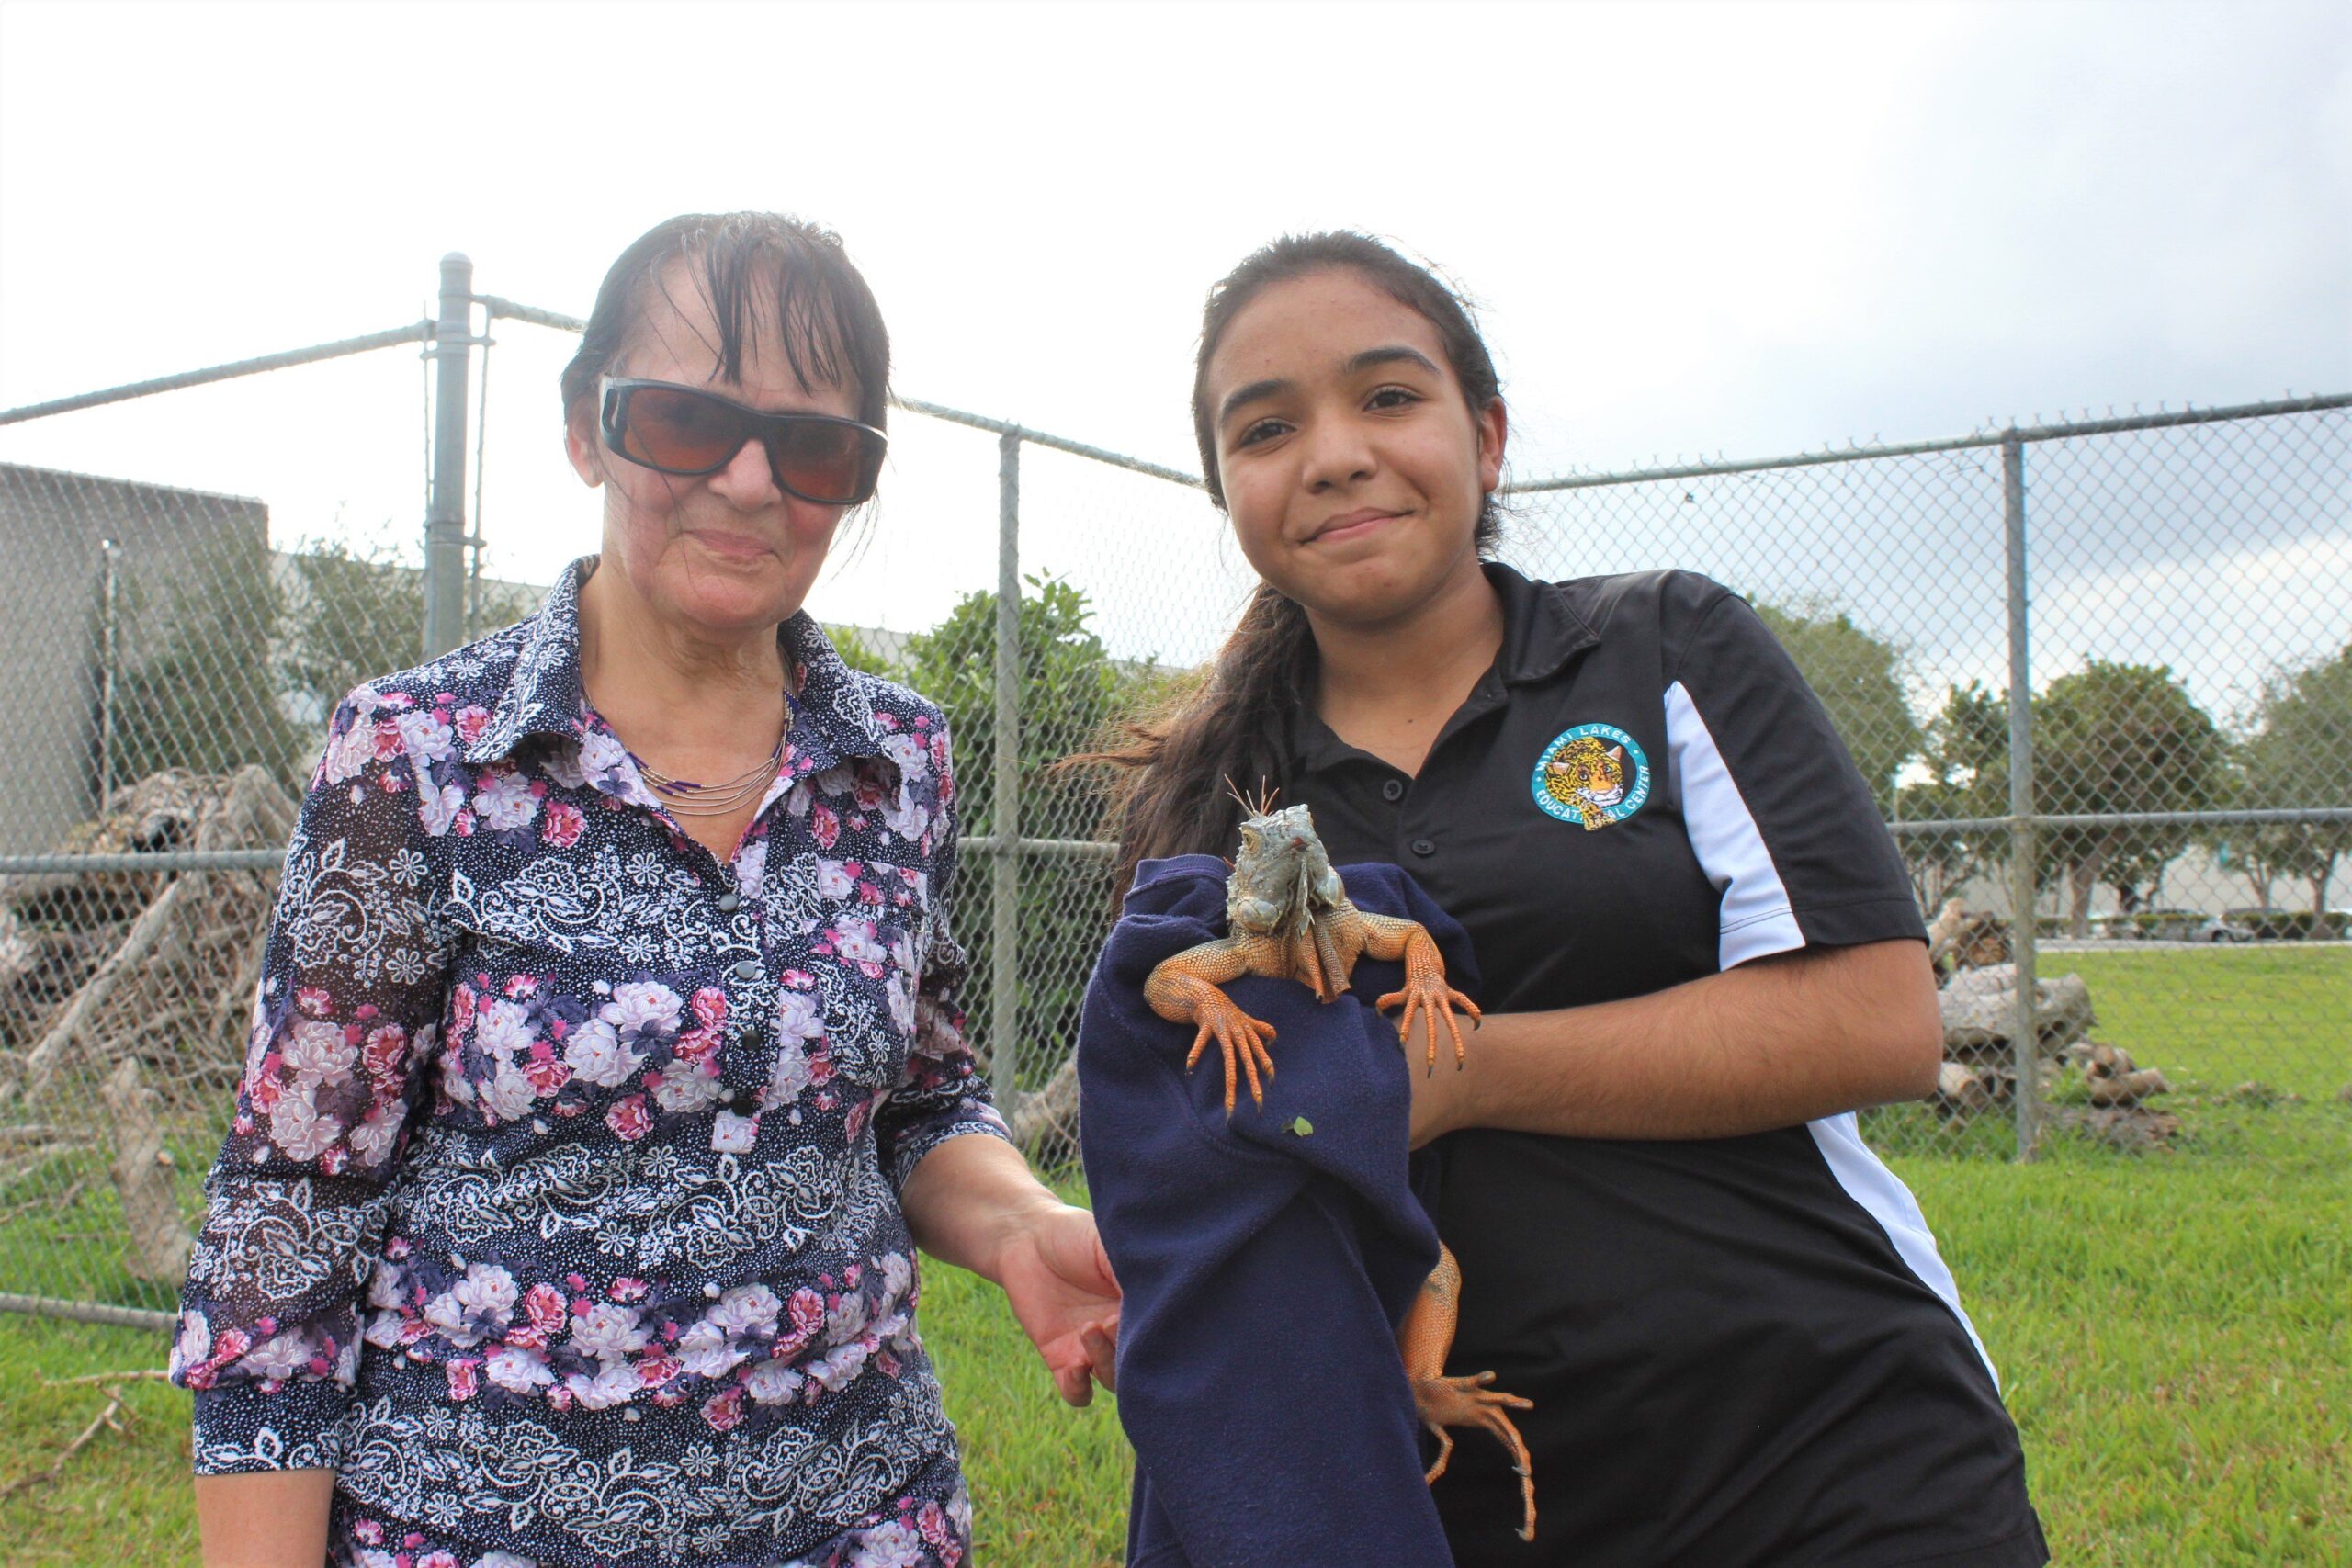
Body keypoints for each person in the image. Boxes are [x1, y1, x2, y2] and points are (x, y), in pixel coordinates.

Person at [170, 211, 1119, 1568]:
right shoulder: (422, 753)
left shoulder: (899, 761)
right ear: (585, 428)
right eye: (683, 419)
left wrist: (1025, 1226)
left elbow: (919, 1094)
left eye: (814, 445)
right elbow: (290, 1212)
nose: (747, 481)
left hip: (860, 1525)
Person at [1089, 231, 2047, 1567]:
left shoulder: (1661, 648)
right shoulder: (1228, 807)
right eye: (1265, 428)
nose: (1332, 454)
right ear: (1229, 494)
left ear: (1485, 437)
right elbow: (1209, 1124)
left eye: (1387, 396)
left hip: (1830, 1453)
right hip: (1447, 1491)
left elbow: (1878, 1021)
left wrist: (1460, 1071)